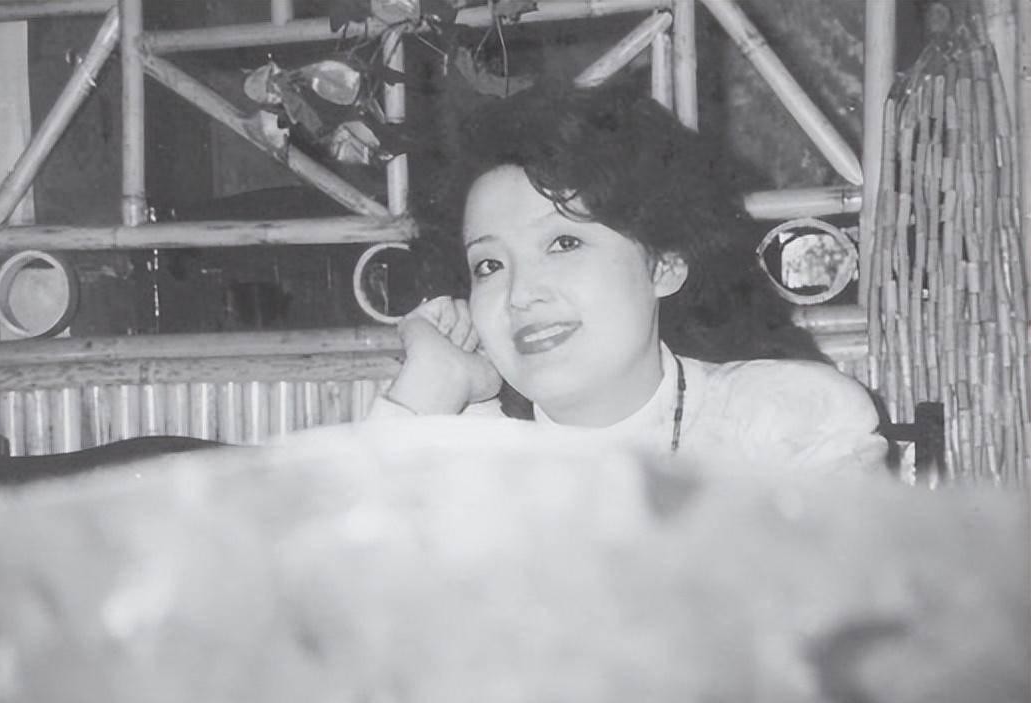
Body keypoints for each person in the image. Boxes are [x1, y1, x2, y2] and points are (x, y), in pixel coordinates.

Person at [370, 80, 886, 472]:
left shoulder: (781, 423)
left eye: (564, 243)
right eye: (489, 265)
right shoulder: (459, 458)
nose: (519, 294)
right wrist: (433, 379)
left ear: (665, 264)